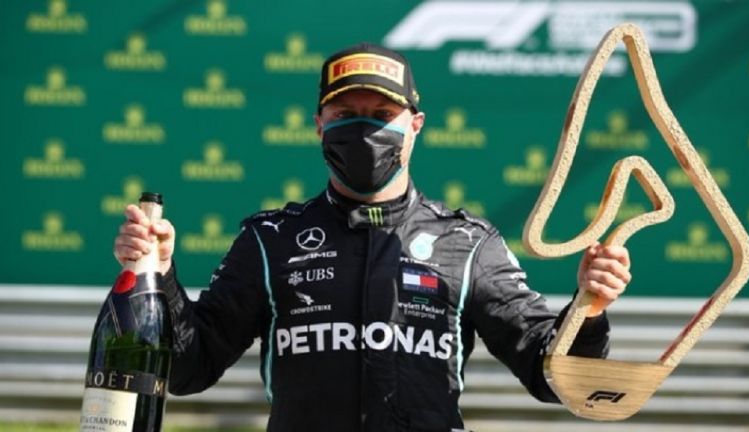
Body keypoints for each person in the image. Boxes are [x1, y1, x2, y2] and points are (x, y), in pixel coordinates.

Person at [114, 43, 631, 432]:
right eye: (345, 116)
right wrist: (158, 277)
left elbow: (551, 377)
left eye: (382, 116)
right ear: (319, 125)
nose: (364, 129)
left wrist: (588, 309)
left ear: (416, 124)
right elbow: (188, 370)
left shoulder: (468, 242)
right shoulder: (271, 239)